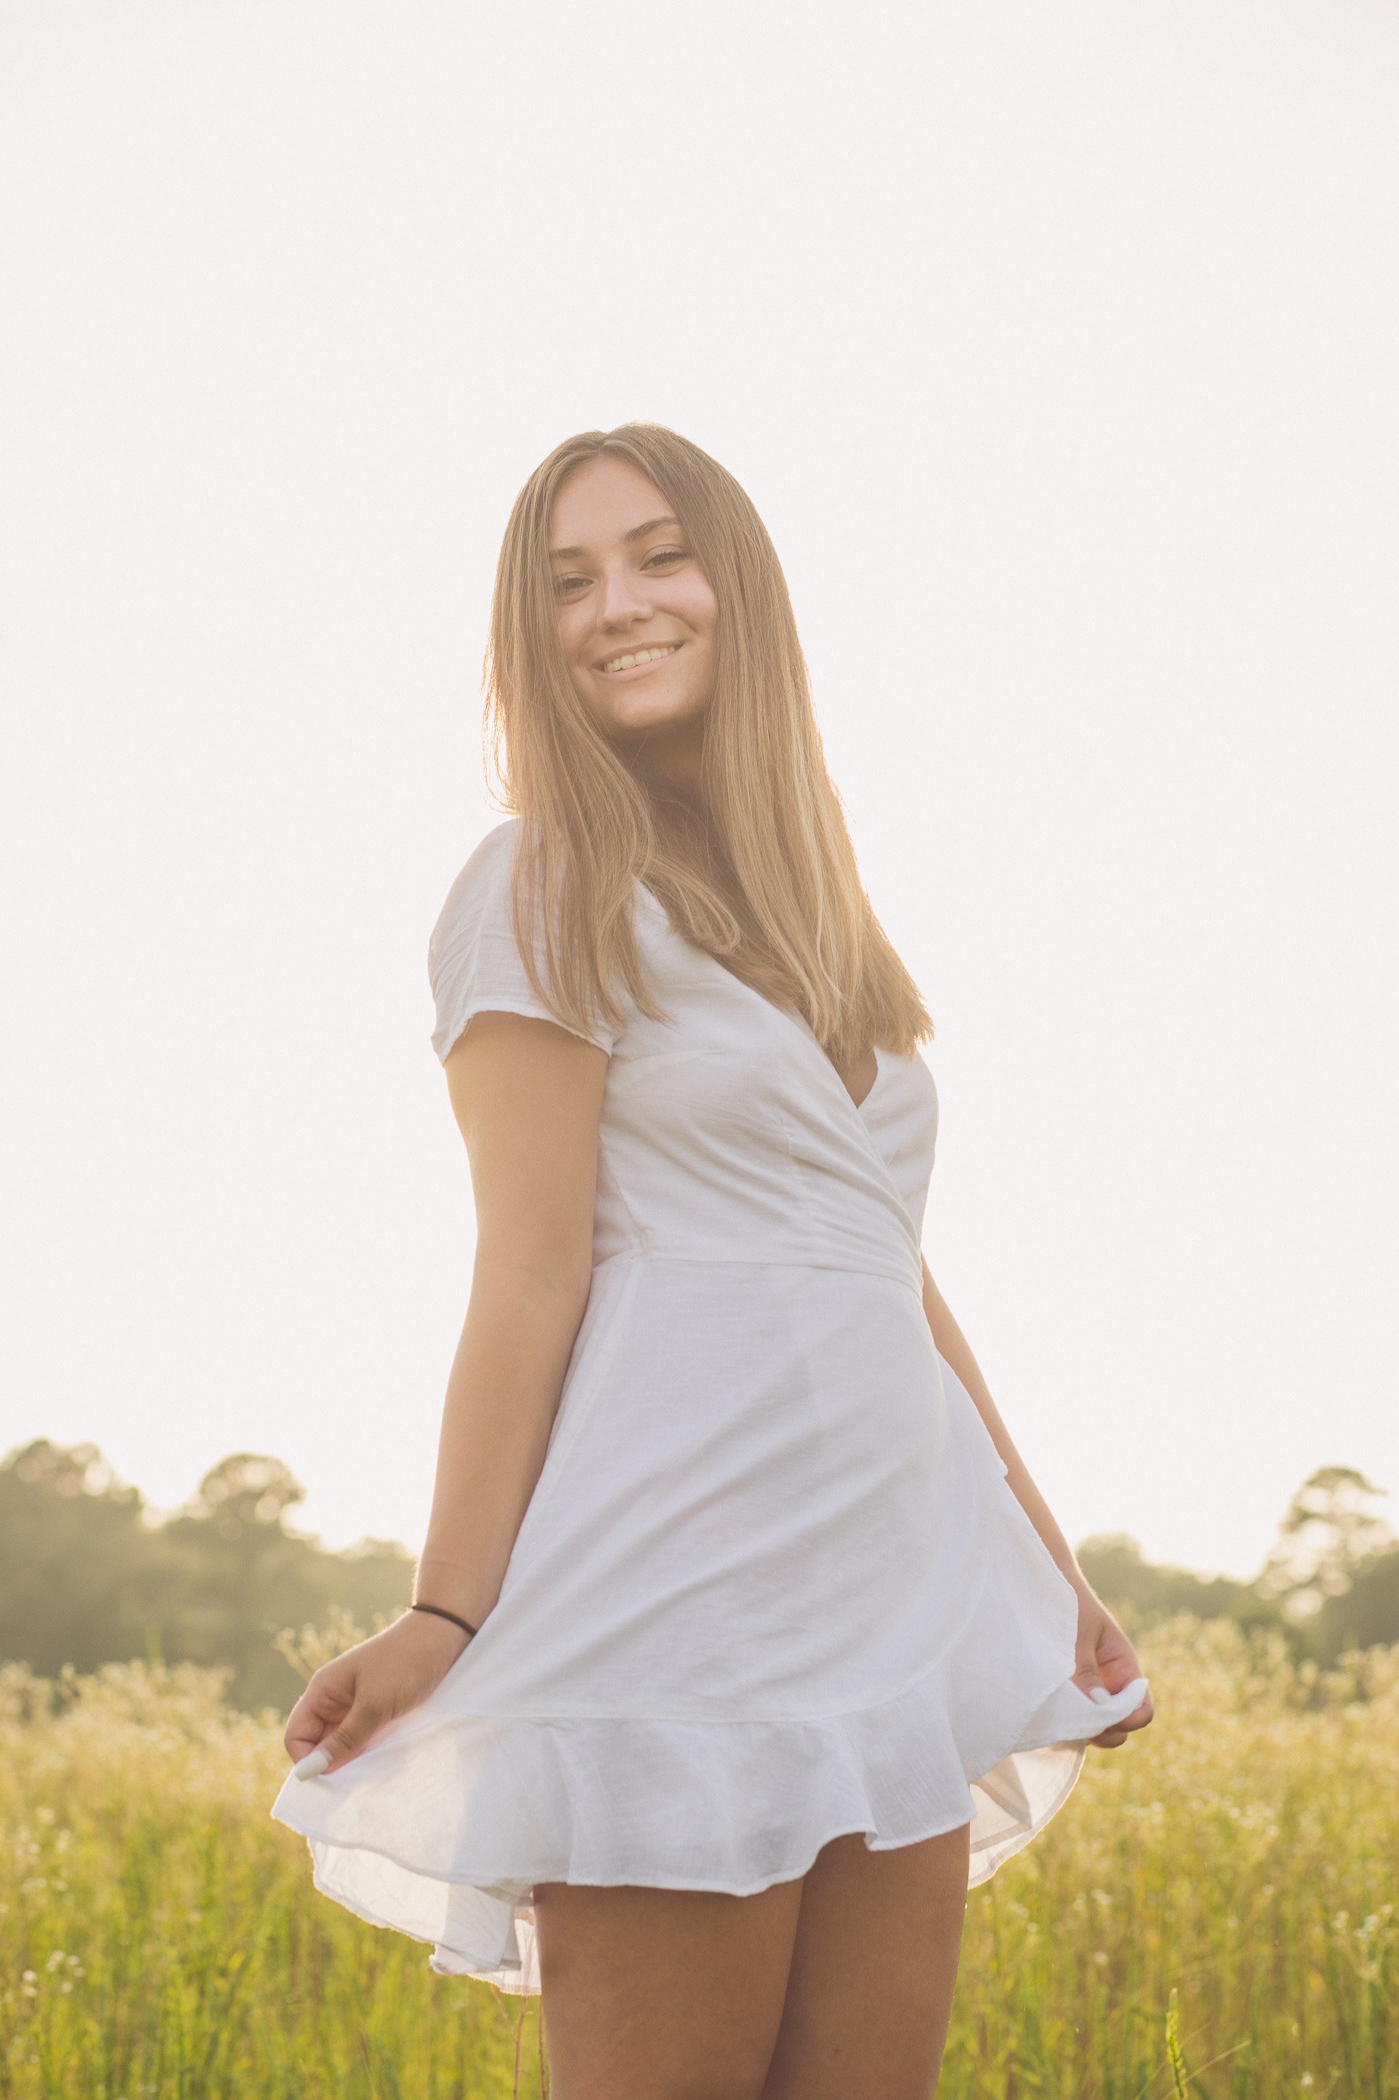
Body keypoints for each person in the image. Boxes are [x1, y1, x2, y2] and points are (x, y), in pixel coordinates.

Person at [271, 422, 1154, 2100]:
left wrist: (1051, 1568)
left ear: (739, 591)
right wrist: (444, 1609)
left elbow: (893, 1273)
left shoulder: (821, 912)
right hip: (681, 1604)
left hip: (894, 1599)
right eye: (567, 583)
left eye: (659, 556)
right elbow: (529, 1274)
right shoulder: (541, 882)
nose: (617, 605)